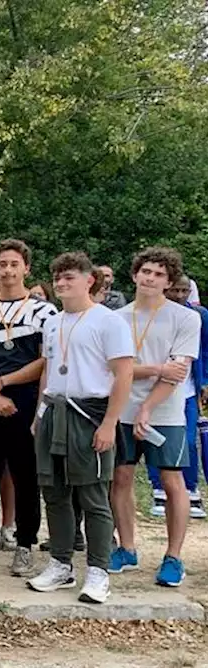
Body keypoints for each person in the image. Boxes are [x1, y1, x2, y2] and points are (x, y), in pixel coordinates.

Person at [27, 252, 133, 603]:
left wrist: (109, 424)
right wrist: (40, 413)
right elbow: (49, 370)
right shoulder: (53, 322)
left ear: (90, 280)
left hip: (90, 415)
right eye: (57, 277)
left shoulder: (109, 321)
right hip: (55, 412)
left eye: (69, 276)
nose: (60, 283)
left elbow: (124, 374)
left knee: (92, 496)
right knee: (54, 493)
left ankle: (99, 571)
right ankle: (61, 564)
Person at [0, 239, 58, 575]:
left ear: (26, 268)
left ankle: (25, 545)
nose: (7, 270)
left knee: (25, 475)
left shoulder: (45, 311)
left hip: (25, 400)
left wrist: (3, 384)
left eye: (14, 264)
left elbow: (46, 360)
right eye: (2, 264)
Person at [111, 247, 200, 588]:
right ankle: (126, 548)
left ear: (169, 281)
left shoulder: (184, 318)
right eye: (146, 271)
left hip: (165, 412)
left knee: (172, 482)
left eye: (159, 274)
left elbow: (177, 372)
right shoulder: (118, 318)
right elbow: (115, 369)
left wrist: (147, 406)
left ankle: (174, 557)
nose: (150, 278)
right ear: (134, 275)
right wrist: (155, 368)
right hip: (122, 410)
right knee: (120, 478)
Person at [148, 274, 209, 520]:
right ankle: (158, 489)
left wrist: (204, 381)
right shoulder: (152, 313)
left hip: (187, 389)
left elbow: (204, 351)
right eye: (177, 290)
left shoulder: (199, 316)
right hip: (155, 387)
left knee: (188, 439)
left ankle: (191, 489)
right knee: (155, 437)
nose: (180, 295)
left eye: (185, 291)